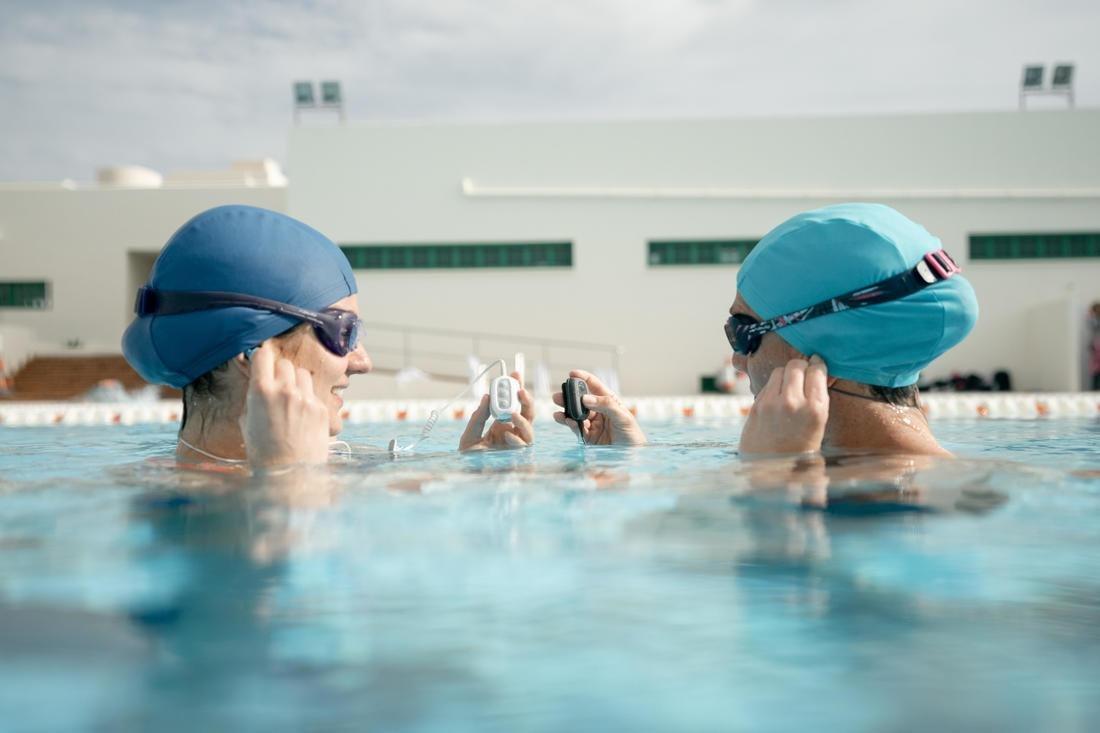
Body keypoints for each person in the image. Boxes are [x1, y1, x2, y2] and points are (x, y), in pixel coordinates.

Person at [123, 205, 533, 470]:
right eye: (343, 331)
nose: (363, 361)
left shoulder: (338, 464)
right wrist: (288, 482)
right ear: (252, 354)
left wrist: (484, 468)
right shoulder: (175, 506)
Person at [555, 203, 978, 456]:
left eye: (743, 331)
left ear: (811, 355)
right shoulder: (846, 471)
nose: (737, 359)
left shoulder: (920, 506)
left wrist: (773, 477)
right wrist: (631, 458)